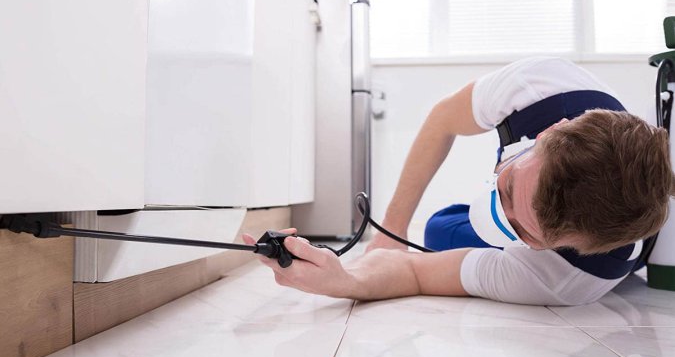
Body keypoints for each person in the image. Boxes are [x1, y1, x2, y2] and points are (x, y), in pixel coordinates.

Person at [243, 57, 675, 306]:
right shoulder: (541, 88)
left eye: (524, 230)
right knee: (431, 227)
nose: (500, 215)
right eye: (507, 188)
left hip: (571, 267)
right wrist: (390, 235)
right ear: (548, 132)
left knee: (437, 232)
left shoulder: (564, 279)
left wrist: (348, 283)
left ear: (560, 248)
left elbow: (415, 273)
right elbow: (442, 121)